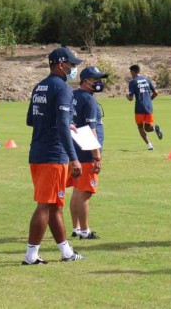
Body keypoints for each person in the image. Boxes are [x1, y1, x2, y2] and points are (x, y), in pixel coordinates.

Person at [23, 47, 86, 265]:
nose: (74, 68)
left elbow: (31, 120)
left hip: (37, 152)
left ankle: (66, 252)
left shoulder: (39, 86)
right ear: (61, 64)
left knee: (55, 205)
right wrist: (74, 157)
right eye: (71, 64)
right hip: (53, 155)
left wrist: (61, 121)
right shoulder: (63, 89)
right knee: (44, 204)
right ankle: (31, 256)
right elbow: (61, 124)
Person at [67, 66, 107, 240]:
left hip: (75, 149)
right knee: (85, 192)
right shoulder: (89, 100)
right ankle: (85, 230)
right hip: (86, 150)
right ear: (86, 81)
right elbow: (92, 130)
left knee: (77, 190)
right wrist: (96, 156)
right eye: (96, 79)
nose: (99, 83)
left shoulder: (73, 95)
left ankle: (76, 228)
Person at [127, 64, 163, 150]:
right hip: (149, 107)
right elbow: (156, 93)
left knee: (140, 127)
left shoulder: (133, 82)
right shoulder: (147, 79)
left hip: (139, 107)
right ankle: (155, 128)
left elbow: (131, 98)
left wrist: (127, 95)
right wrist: (149, 100)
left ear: (132, 72)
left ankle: (149, 145)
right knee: (147, 128)